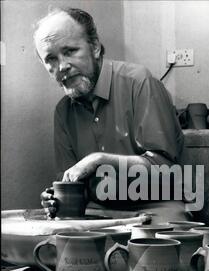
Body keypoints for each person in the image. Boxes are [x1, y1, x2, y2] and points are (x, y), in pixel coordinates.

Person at [35, 7, 192, 223]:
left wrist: (99, 160)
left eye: (70, 51)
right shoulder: (63, 111)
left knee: (159, 244)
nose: (61, 66)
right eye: (50, 59)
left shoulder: (139, 82)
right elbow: (70, 181)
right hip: (97, 212)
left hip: (156, 208)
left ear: (96, 48)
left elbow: (167, 171)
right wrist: (56, 197)